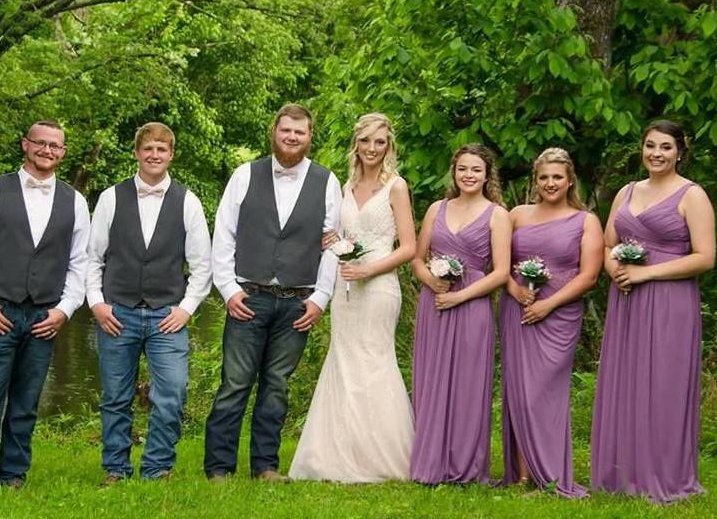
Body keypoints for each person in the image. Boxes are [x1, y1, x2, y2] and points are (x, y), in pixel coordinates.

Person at [204, 104, 342, 481]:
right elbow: (224, 234)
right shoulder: (244, 175)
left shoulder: (327, 181)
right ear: (274, 132)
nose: (292, 137)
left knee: (277, 386)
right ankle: (219, 467)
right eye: (286, 131)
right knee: (235, 383)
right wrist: (229, 289)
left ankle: (266, 466)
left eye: (300, 132)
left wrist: (320, 298)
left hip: (298, 301)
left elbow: (333, 243)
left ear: (310, 136)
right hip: (248, 296)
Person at [0, 120, 90, 489]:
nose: (47, 150)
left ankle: (13, 475)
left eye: (55, 146)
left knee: (26, 402)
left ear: (63, 153)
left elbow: (79, 263)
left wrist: (64, 310)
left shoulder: (75, 202)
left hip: (45, 315)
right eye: (40, 143)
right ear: (25, 145)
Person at [591, 121, 715, 503]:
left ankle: (664, 472)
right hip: (626, 300)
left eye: (665, 147)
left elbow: (705, 257)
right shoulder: (627, 192)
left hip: (670, 303)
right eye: (649, 146)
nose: (656, 154)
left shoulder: (692, 195)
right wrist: (615, 270)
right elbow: (608, 243)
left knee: (663, 382)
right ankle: (623, 471)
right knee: (626, 379)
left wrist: (647, 273)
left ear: (680, 151)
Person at [289, 113, 416, 482]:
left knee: (374, 360)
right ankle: (337, 457)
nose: (372, 149)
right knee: (344, 360)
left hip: (378, 287)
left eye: (380, 142)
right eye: (366, 141)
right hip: (346, 290)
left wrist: (370, 270)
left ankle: (383, 458)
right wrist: (334, 242)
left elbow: (408, 247)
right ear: (356, 144)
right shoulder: (345, 185)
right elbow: (342, 234)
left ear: (388, 145)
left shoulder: (397, 186)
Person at [87, 122, 212, 481]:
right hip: (117, 312)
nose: (154, 155)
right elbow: (93, 258)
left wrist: (186, 309)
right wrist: (97, 303)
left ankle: (157, 467)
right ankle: (116, 468)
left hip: (166, 315)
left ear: (171, 155)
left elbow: (202, 265)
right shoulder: (111, 197)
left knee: (172, 392)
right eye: (148, 149)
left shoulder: (187, 201)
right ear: (137, 153)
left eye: (162, 149)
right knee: (115, 397)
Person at [499, 148, 601, 497]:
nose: (550, 183)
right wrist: (513, 289)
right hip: (517, 311)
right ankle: (525, 475)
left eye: (557, 177)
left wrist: (550, 303)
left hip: (559, 314)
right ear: (535, 180)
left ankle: (550, 473)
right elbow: (499, 265)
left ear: (569, 179)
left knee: (544, 392)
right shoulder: (516, 215)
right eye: (544, 177)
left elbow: (588, 276)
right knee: (520, 391)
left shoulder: (585, 220)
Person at [409, 143, 510, 485]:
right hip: (434, 304)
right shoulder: (437, 208)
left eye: (476, 170)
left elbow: (500, 272)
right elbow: (417, 257)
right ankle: (430, 460)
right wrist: (431, 282)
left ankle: (464, 466)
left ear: (486, 175)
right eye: (463, 169)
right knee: (431, 379)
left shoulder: (497, 215)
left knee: (468, 384)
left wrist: (460, 296)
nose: (469, 175)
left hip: (472, 306)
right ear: (454, 172)